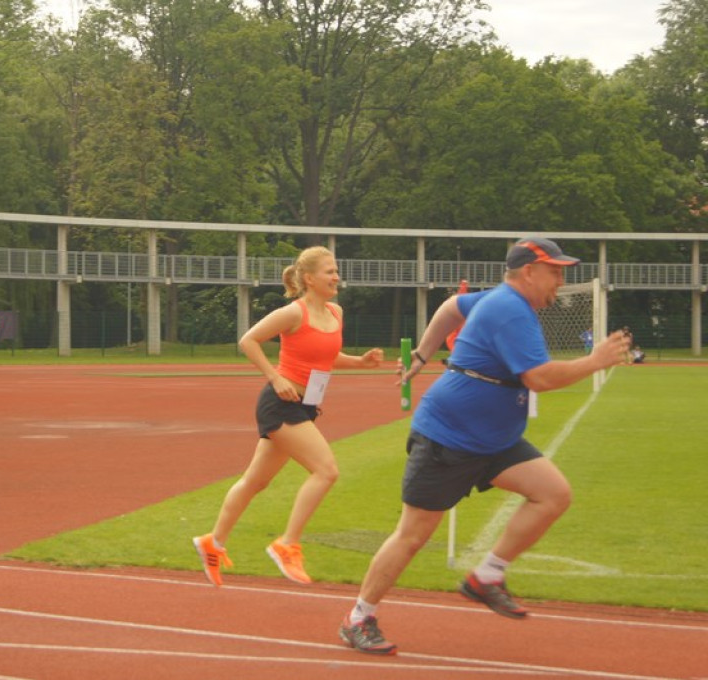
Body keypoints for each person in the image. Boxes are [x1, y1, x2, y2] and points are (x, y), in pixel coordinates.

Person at [338, 237, 631, 656]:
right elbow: (539, 378)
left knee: (552, 494)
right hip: (449, 436)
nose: (561, 281)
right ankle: (358, 618)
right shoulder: (510, 310)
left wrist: (422, 354)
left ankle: (487, 576)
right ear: (528, 271)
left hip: (494, 439)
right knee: (412, 535)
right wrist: (595, 361)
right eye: (555, 272)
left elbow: (450, 308)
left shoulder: (501, 300)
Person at [193, 246, 385, 586]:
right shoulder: (293, 313)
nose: (336, 277)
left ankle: (213, 542)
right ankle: (287, 545)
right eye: (329, 271)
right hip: (281, 404)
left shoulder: (336, 312)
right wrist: (275, 377)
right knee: (326, 471)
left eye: (336, 270)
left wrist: (360, 362)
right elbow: (248, 340)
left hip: (305, 405)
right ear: (309, 278)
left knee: (256, 481)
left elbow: (325, 356)